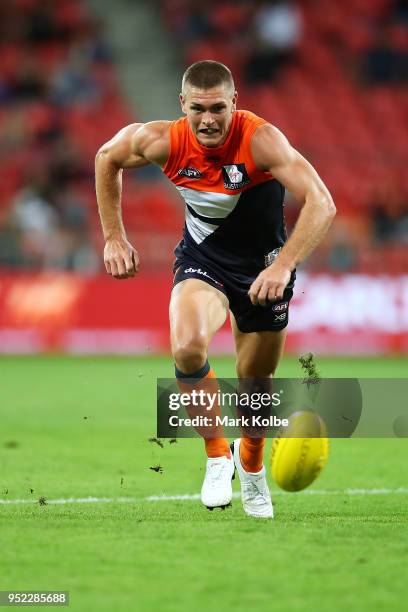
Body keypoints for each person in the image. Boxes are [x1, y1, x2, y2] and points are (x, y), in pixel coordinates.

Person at [95, 60, 335, 518]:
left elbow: (321, 202)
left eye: (218, 108)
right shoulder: (160, 139)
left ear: (234, 104)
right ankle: (216, 457)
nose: (208, 119)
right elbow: (107, 158)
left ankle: (252, 468)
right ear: (182, 104)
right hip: (203, 262)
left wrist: (284, 266)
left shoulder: (261, 140)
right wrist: (113, 236)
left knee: (254, 384)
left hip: (265, 271)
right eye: (199, 108)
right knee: (186, 348)